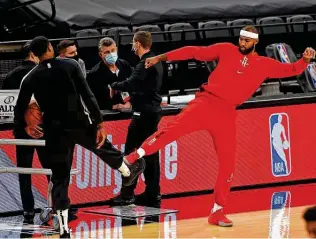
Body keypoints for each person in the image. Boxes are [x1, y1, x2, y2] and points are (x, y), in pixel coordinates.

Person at [122, 25, 315, 227]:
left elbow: (291, 69)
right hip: (205, 102)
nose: (242, 43)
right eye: (241, 39)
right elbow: (194, 52)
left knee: (228, 164)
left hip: (226, 113)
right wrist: (160, 57)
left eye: (247, 41)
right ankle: (132, 158)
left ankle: (217, 211)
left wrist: (305, 60)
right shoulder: (226, 49)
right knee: (170, 131)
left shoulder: (264, 64)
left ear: (255, 42)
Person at [14, 36, 145, 238]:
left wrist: (25, 126)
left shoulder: (30, 77)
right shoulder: (70, 65)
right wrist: (99, 122)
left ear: (34, 55)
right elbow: (87, 94)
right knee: (103, 147)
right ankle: (127, 171)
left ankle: (64, 229)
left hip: (54, 131)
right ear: (50, 47)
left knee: (60, 179)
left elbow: (19, 109)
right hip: (79, 122)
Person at [109, 31, 163, 207]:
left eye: (133, 42)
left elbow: (131, 82)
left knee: (131, 153)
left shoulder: (144, 63)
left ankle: (127, 194)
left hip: (143, 115)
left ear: (138, 44)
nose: (132, 46)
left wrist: (114, 85)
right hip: (152, 112)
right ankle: (153, 193)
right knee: (151, 153)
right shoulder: (157, 60)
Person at [3, 41, 50, 223]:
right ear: (33, 54)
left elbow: (8, 109)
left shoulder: (10, 76)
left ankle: (28, 210)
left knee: (24, 171)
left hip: (22, 130)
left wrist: (22, 125)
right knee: (52, 170)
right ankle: (57, 205)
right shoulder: (44, 72)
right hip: (44, 129)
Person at [87, 37, 132, 110]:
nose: (111, 54)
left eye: (113, 50)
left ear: (116, 50)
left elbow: (135, 85)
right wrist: (114, 106)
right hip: (108, 112)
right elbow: (94, 100)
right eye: (107, 52)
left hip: (129, 107)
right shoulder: (94, 74)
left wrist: (129, 102)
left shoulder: (124, 65)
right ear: (101, 55)